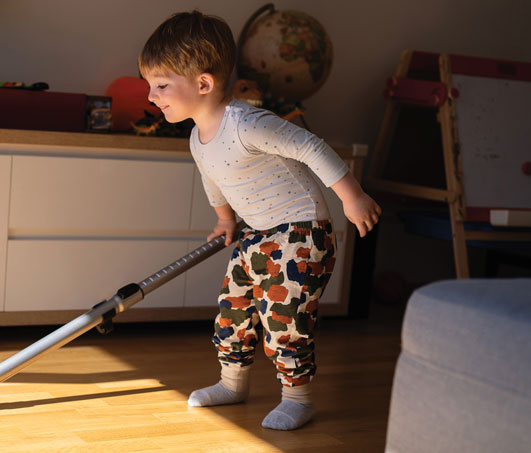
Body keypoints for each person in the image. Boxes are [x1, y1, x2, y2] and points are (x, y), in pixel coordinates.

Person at [138, 10, 381, 430]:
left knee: (285, 320)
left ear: (203, 84)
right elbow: (214, 179)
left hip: (300, 234)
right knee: (233, 311)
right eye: (149, 86)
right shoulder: (198, 136)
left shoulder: (247, 124)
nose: (150, 96)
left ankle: (298, 398)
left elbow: (311, 148)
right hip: (256, 235)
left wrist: (352, 197)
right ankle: (232, 384)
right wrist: (223, 221)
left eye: (160, 85)